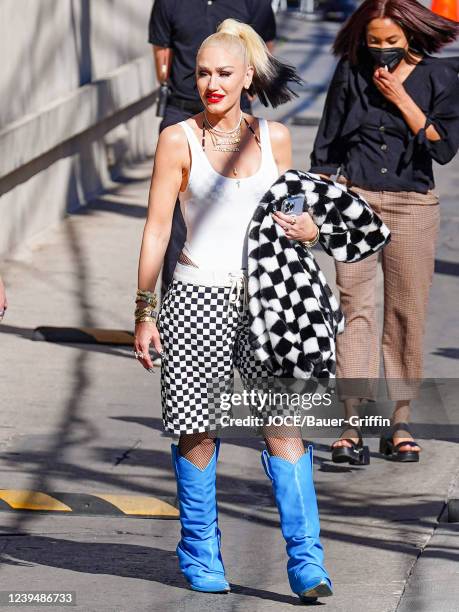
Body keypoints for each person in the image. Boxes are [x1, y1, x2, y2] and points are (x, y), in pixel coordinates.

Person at [134, 19, 333, 602]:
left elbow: (297, 222)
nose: (211, 83)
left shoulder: (275, 138)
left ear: (249, 75)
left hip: (269, 299)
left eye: (224, 73)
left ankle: (307, 563)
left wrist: (308, 229)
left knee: (283, 431)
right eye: (201, 73)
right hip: (197, 294)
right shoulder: (178, 138)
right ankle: (200, 552)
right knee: (197, 433)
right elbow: (155, 232)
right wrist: (146, 310)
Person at [309, 0, 459, 464]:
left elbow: (443, 148)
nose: (381, 52)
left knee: (405, 313)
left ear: (410, 37)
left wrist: (400, 96)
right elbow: (327, 143)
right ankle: (353, 423)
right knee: (356, 309)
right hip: (354, 198)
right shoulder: (350, 72)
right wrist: (315, 205)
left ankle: (399, 421)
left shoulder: (442, 76)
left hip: (412, 203)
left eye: (390, 43)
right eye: (373, 43)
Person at [148, 0, 277, 294]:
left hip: (236, 119)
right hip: (181, 111)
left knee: (233, 209)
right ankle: (175, 302)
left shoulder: (254, 3)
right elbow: (162, 53)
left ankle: (240, 299)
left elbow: (265, 48)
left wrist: (244, 96)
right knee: (176, 217)